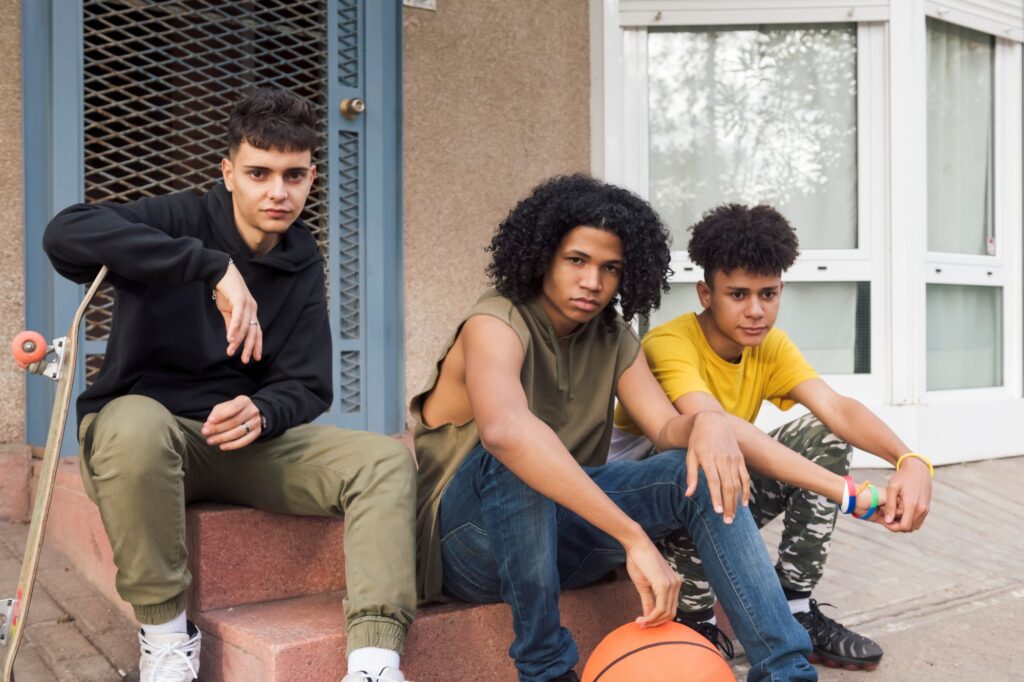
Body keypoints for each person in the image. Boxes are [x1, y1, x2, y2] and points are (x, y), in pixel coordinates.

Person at [411, 175, 887, 682]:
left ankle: (785, 671)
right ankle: (546, 670)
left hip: (563, 536)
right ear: (543, 256)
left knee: (694, 468)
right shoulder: (494, 322)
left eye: (610, 268)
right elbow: (505, 431)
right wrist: (632, 536)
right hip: (469, 547)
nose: (593, 282)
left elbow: (665, 427)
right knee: (514, 458)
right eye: (577, 260)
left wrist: (706, 423)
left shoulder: (613, 337)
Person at [40, 88, 416, 682]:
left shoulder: (302, 259)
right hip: (142, 444)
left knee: (384, 461)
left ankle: (374, 662)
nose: (277, 192)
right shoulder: (180, 220)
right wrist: (210, 266)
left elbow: (308, 383)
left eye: (293, 175)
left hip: (240, 443)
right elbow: (65, 234)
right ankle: (166, 643)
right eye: (258, 173)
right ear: (227, 173)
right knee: (136, 424)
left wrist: (262, 411)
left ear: (312, 178)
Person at [611, 203, 934, 671]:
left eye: (768, 294)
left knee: (822, 436)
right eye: (738, 294)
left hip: (708, 506)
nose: (756, 311)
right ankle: (695, 620)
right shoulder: (669, 344)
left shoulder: (769, 346)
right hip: (641, 512)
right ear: (705, 293)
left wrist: (910, 460)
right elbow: (716, 427)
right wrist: (849, 494)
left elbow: (836, 409)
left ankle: (795, 605)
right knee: (703, 460)